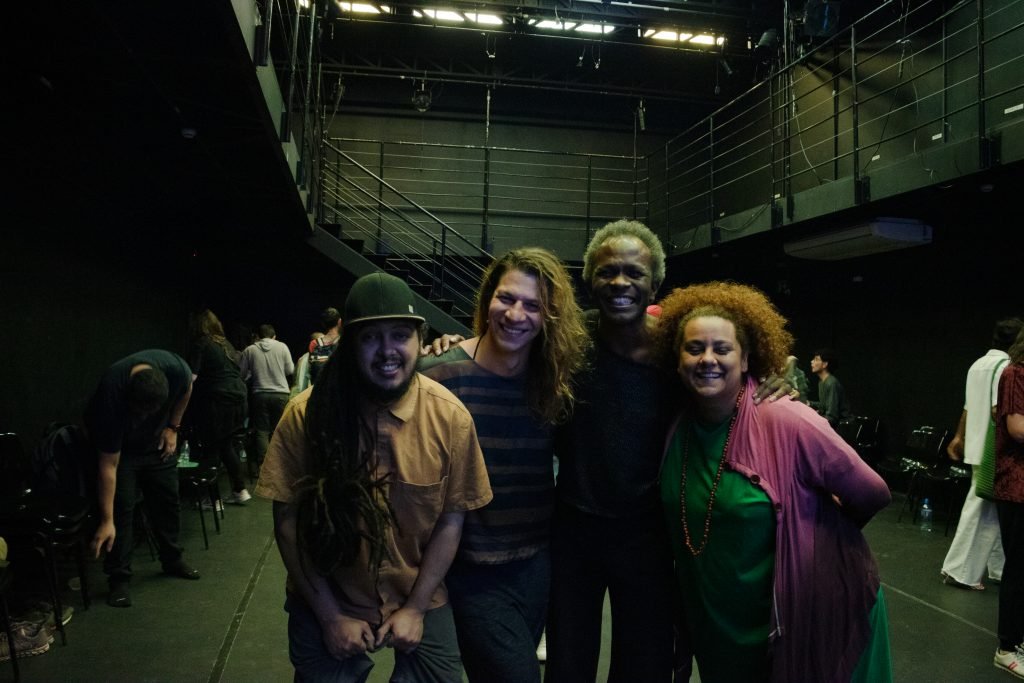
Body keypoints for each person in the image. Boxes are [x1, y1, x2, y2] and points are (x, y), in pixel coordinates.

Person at [544, 219, 793, 683]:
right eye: (607, 271)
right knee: (567, 663)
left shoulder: (675, 354)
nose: (620, 282)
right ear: (589, 279)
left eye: (634, 273)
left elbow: (726, 366)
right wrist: (449, 346)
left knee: (644, 665)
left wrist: (771, 378)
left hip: (648, 536)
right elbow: (499, 351)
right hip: (574, 530)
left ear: (655, 283)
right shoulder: (568, 344)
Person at [255, 272, 493, 682]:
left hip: (419, 591)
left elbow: (452, 519)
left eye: (400, 335)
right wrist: (329, 616)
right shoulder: (306, 415)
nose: (388, 351)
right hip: (327, 595)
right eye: (370, 338)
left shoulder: (450, 418)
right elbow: (288, 522)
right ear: (349, 342)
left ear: (420, 339)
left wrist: (416, 608)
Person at [654, 281, 893, 683]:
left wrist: (818, 537)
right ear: (676, 360)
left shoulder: (786, 418)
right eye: (694, 348)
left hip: (810, 618)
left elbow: (872, 492)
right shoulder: (677, 425)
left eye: (722, 348)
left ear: (746, 359)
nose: (707, 359)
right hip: (724, 630)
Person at [417, 248, 589, 683]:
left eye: (533, 305)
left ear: (550, 315)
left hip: (534, 565)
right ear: (486, 300)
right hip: (471, 568)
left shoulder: (553, 381)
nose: (516, 314)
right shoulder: (438, 376)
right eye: (506, 298)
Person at [84, 350, 200, 608]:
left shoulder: (176, 370)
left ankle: (172, 559)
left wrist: (172, 427)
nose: (145, 416)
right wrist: (106, 520)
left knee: (168, 501)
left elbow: (187, 389)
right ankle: (119, 578)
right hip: (123, 452)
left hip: (157, 444)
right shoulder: (110, 396)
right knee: (121, 509)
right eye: (140, 412)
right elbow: (108, 465)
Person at [941, 318, 1024, 591]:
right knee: (981, 512)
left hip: (978, 445)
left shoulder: (977, 364)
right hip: (994, 450)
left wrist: (958, 437)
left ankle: (999, 568)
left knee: (993, 512)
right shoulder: (1005, 367)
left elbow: (967, 407)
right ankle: (959, 570)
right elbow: (996, 409)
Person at [186, 310, 249, 504]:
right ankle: (240, 491)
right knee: (227, 445)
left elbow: (192, 378)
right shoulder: (225, 344)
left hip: (218, 401)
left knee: (211, 447)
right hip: (239, 399)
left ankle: (213, 501)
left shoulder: (202, 343)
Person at [993, 327, 1024, 677]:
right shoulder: (1014, 373)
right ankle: (1006, 646)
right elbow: (1017, 428)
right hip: (1017, 487)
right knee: (1017, 570)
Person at [238, 323, 295, 472]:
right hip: (281, 393)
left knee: (261, 431)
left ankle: (265, 467)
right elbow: (290, 370)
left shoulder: (250, 350)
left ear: (258, 336)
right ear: (274, 335)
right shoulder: (282, 346)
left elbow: (241, 374)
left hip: (260, 394)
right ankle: (281, 464)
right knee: (279, 430)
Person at [809, 348, 853, 428]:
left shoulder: (831, 383)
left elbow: (831, 417)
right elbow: (824, 405)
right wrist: (809, 403)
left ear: (825, 364)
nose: (812, 361)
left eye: (816, 359)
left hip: (842, 426)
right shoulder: (821, 382)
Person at [308, 307, 342, 385]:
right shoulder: (345, 342)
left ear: (323, 324)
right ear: (339, 322)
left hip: (319, 391)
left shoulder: (314, 344)